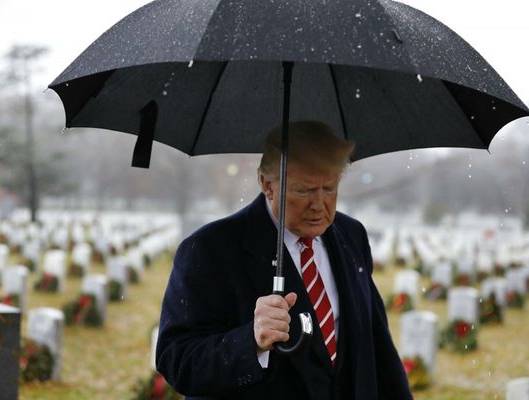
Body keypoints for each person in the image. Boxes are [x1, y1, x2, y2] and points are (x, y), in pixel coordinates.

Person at [156, 121, 413, 400]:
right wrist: (251, 341)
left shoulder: (351, 235)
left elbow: (377, 346)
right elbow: (177, 360)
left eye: (329, 187)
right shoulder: (209, 249)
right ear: (267, 184)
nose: (318, 204)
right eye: (303, 190)